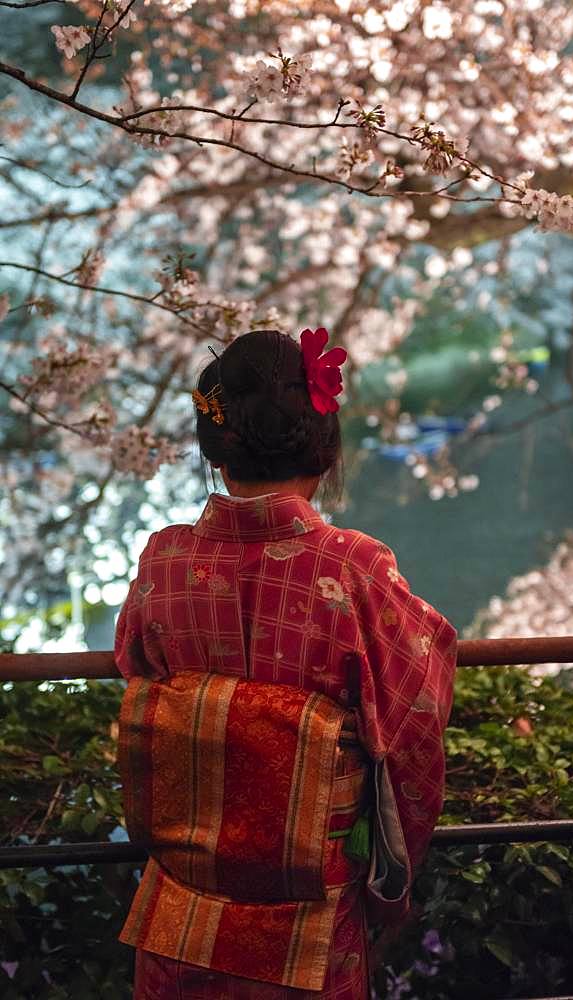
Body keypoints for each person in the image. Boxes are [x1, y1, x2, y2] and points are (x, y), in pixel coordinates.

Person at [114, 328, 457, 999]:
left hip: (177, 916)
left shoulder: (161, 561)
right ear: (324, 448)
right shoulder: (354, 567)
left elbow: (135, 670)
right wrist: (392, 882)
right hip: (312, 925)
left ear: (215, 450)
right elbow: (414, 728)